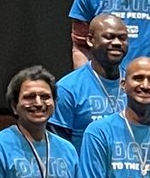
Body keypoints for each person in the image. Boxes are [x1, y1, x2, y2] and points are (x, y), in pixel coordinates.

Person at [51, 13, 129, 155]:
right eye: (109, 37)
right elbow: (59, 149)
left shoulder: (140, 86)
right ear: (90, 40)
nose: (117, 43)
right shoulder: (67, 89)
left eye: (122, 38)